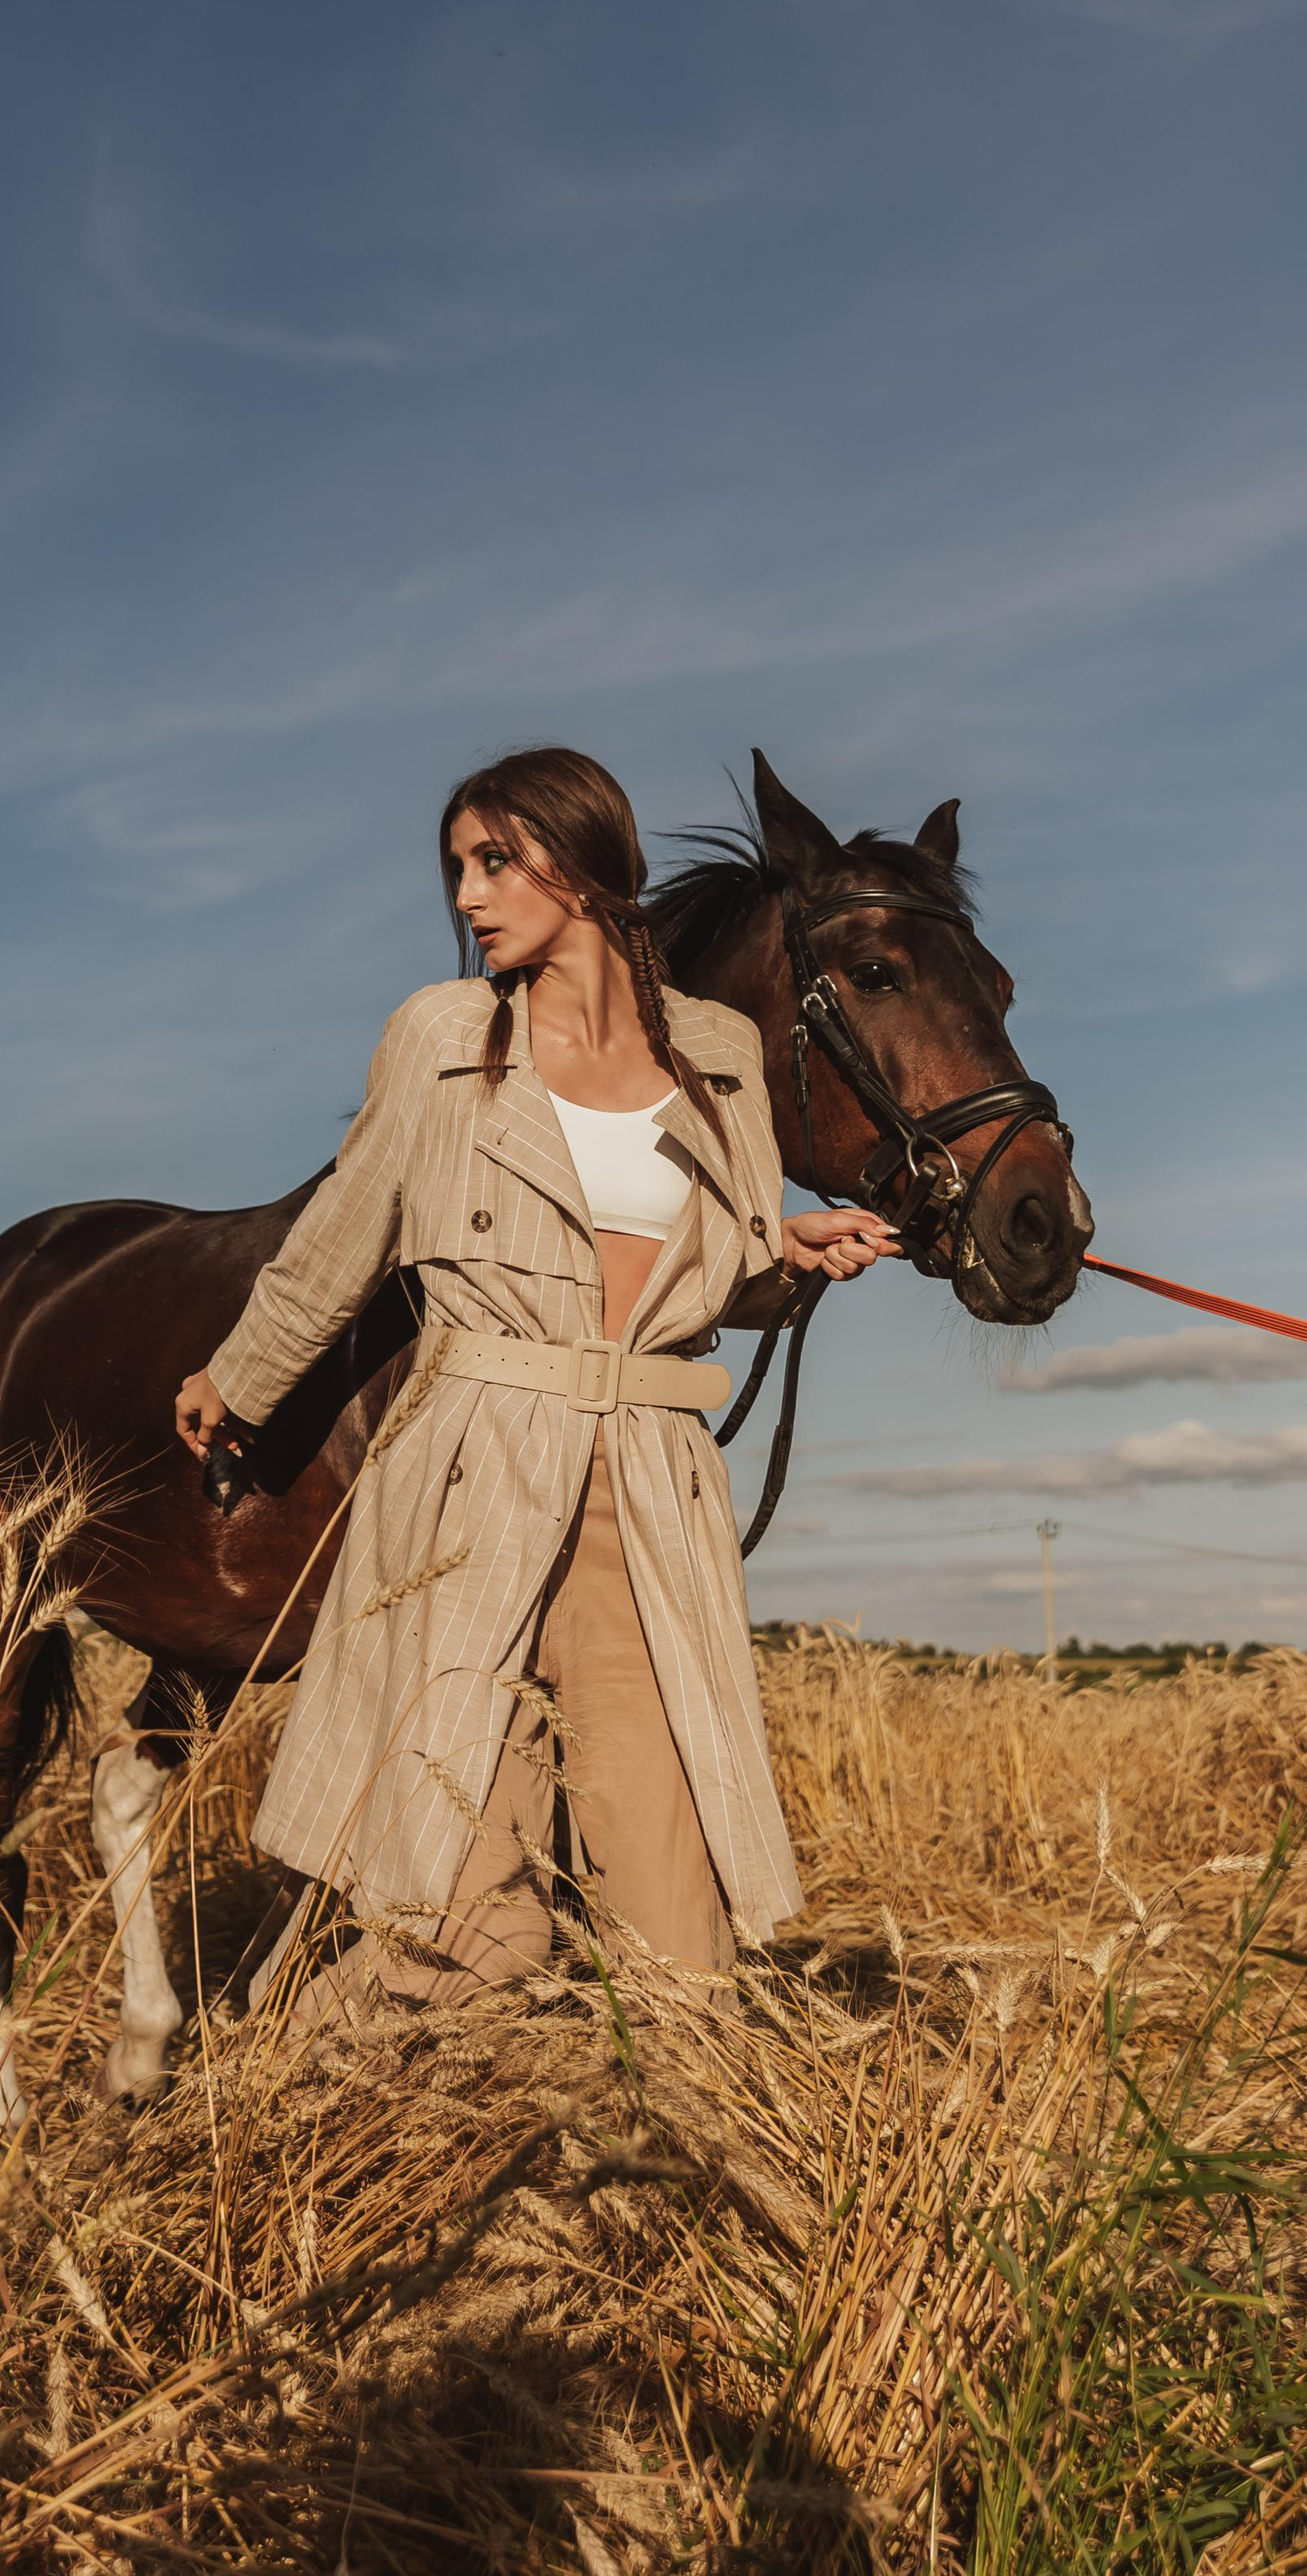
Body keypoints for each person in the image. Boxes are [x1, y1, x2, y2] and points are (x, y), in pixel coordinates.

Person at [173, 746, 896, 2011]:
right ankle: (340, 2124)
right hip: (476, 1468)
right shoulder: (447, 1033)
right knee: (466, 1932)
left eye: (496, 859)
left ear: (587, 862)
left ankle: (670, 2160)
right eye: (460, 866)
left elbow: (711, 1272)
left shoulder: (720, 1051)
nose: (469, 893)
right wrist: (242, 1373)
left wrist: (787, 1254)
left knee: (678, 1934)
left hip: (653, 1486)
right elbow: (356, 1222)